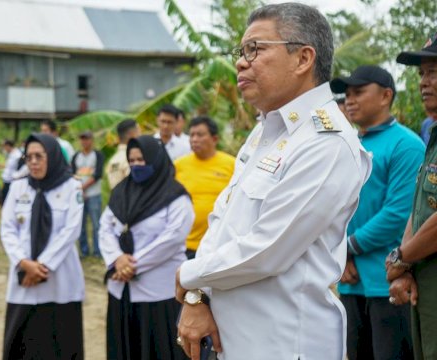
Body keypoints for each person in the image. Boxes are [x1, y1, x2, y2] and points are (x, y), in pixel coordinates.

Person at [174, 4, 372, 360]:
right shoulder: (266, 130)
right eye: (241, 52)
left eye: (255, 49)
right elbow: (222, 223)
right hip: (234, 343)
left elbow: (268, 249)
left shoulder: (326, 141)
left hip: (286, 345)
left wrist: (189, 275)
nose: (240, 62)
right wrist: (198, 295)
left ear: (303, 59)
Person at [330, 65, 424, 360]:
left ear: (386, 96)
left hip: (389, 281)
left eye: (359, 92)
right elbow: (334, 205)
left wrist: (346, 248)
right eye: (347, 94)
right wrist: (340, 254)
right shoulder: (345, 145)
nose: (350, 100)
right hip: (350, 280)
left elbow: (397, 212)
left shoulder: (406, 144)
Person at [99, 135, 195, 360]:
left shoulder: (176, 196)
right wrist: (117, 260)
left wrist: (133, 264)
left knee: (159, 348)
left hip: (159, 294)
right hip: (122, 290)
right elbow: (105, 228)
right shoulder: (122, 191)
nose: (136, 165)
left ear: (156, 159)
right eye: (131, 161)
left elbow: (172, 238)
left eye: (141, 160)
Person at [0, 133, 84, 360]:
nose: (33, 162)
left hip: (60, 279)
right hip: (24, 276)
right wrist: (24, 263)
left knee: (60, 343)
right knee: (22, 342)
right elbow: (7, 229)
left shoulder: (72, 187)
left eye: (39, 156)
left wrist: (42, 266)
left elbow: (71, 231)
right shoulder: (18, 187)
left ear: (53, 156)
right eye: (29, 157)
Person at [387, 31, 437, 360]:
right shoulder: (431, 134)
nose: (423, 82)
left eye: (433, 72)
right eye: (421, 74)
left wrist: (402, 258)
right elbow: (420, 207)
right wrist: (403, 265)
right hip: (426, 293)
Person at [174, 117, 235, 259]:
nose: (194, 139)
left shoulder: (232, 164)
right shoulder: (178, 166)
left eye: (200, 135)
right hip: (185, 245)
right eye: (192, 135)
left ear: (214, 139)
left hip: (219, 245)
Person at [71, 131, 105, 257]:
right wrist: (79, 189)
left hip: (94, 194)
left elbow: (97, 175)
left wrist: (83, 187)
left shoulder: (97, 155)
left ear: (92, 140)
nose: (84, 142)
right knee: (81, 224)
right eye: (82, 139)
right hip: (80, 195)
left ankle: (98, 251)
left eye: (87, 139)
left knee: (96, 224)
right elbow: (73, 174)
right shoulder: (76, 156)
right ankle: (84, 251)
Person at [106, 119, 140, 189]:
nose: (141, 134)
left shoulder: (113, 160)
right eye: (139, 130)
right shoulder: (134, 157)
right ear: (132, 134)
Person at [0, 139, 22, 205]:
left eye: (4, 147)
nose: (4, 149)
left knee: (8, 199)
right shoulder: (11, 154)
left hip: (12, 180)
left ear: (8, 146)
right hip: (7, 180)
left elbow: (20, 168)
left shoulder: (17, 155)